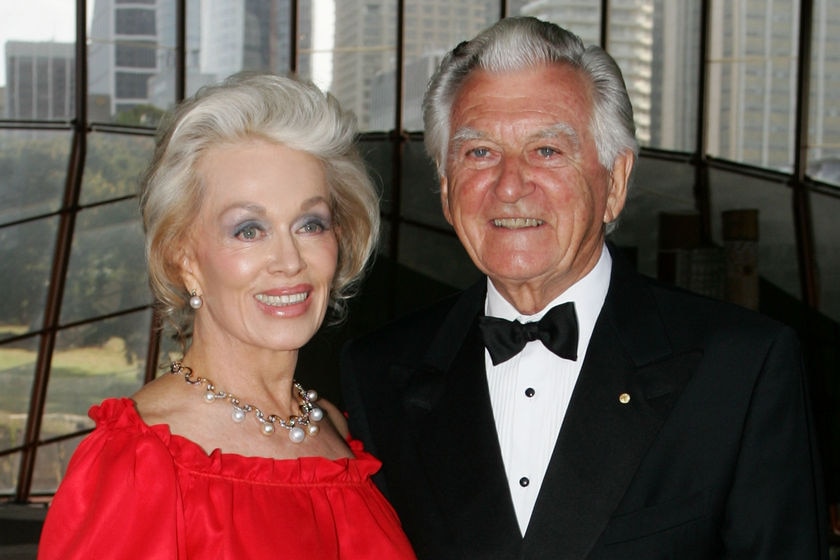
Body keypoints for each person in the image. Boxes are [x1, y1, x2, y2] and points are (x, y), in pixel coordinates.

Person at [340, 16, 827, 559]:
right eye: (479, 152)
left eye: (547, 150)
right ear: (447, 186)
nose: (509, 185)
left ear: (615, 183)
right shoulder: (376, 373)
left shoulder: (742, 368)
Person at [38, 73, 416, 559]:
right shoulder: (140, 463)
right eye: (248, 230)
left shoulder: (334, 431)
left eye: (310, 223)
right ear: (184, 257)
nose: (289, 260)